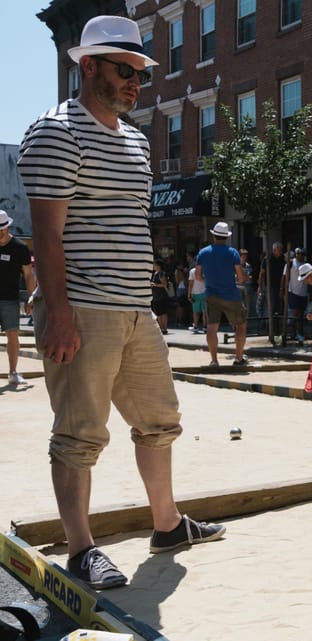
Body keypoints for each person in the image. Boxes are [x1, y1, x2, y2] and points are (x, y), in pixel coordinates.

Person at [17, 14, 225, 590]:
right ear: (88, 66)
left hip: (135, 309)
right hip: (81, 306)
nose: (136, 81)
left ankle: (167, 524)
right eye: (124, 70)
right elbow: (47, 233)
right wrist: (56, 312)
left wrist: (150, 297)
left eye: (140, 70)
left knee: (161, 422)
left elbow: (131, 224)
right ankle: (82, 549)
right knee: (81, 433)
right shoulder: (55, 132)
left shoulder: (135, 139)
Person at [196, 222, 248, 367]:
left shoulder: (203, 253)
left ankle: (214, 360)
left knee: (212, 326)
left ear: (213, 235)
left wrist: (210, 280)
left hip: (211, 294)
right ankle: (238, 358)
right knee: (241, 325)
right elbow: (240, 277)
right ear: (226, 237)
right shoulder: (232, 252)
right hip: (231, 294)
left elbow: (198, 276)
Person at [0, 211, 36, 386]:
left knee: (12, 333)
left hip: (9, 298)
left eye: (1, 230)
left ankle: (13, 372)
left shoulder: (19, 247)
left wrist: (32, 297)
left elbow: (29, 275)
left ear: (7, 227)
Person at [284, 247, 308, 345]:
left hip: (303, 292)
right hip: (293, 291)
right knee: (295, 314)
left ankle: (300, 334)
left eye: (303, 254)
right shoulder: (290, 264)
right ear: (296, 254)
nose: (301, 256)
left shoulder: (306, 265)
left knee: (301, 315)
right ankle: (292, 333)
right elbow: (285, 277)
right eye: (300, 254)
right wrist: (283, 290)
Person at [258, 241, 285, 324]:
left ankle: (277, 324)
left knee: (279, 306)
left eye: (281, 250)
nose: (280, 252)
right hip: (270, 286)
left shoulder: (283, 259)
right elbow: (262, 273)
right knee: (270, 306)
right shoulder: (267, 259)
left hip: (281, 285)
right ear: (274, 250)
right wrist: (260, 286)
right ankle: (269, 324)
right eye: (279, 250)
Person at [150, 258, 170, 334]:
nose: (153, 266)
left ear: (158, 265)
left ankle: (164, 328)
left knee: (163, 313)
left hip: (161, 296)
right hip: (156, 297)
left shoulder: (161, 273)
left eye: (154, 264)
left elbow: (164, 284)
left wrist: (154, 284)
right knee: (158, 313)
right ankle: (161, 328)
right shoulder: (155, 273)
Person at [188, 262, 206, 333]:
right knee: (205, 312)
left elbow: (190, 284)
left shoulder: (192, 271)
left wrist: (189, 295)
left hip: (195, 293)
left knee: (195, 312)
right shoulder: (206, 270)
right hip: (205, 292)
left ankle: (195, 326)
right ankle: (205, 327)